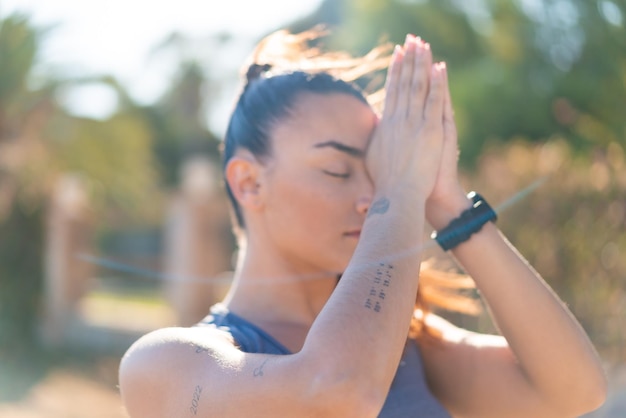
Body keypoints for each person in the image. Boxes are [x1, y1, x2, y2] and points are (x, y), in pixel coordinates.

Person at [118, 29, 607, 417]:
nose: (371, 196)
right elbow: (338, 395)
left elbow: (576, 392)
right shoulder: (167, 365)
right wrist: (400, 188)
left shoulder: (409, 348)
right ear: (248, 182)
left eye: (377, 171)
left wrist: (449, 205)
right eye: (338, 170)